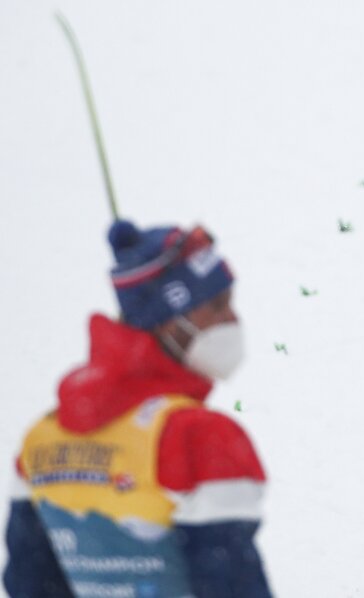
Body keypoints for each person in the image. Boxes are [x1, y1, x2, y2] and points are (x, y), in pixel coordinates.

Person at [3, 220, 272, 597]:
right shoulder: (200, 437)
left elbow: (29, 584)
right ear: (169, 322)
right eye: (217, 306)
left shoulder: (41, 438)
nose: (233, 320)